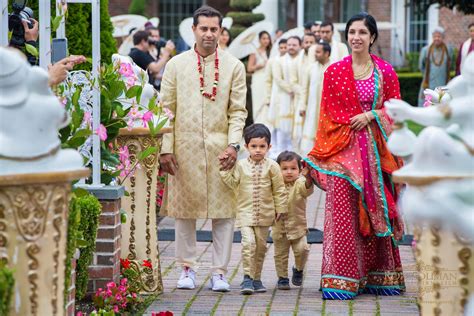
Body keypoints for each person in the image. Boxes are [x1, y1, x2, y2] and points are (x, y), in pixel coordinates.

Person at [305, 13, 405, 300]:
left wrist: (371, 115)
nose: (356, 37)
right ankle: (341, 280)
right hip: (342, 156)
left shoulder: (385, 71)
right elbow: (327, 116)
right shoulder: (334, 72)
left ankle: (379, 277)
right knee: (343, 216)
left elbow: (396, 110)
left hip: (375, 155)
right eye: (352, 32)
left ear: (372, 37)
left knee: (376, 212)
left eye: (362, 32)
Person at [159, 5, 247, 292]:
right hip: (184, 149)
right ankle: (186, 268)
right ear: (193, 30)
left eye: (214, 29)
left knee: (224, 214)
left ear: (221, 32)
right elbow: (165, 109)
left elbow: (238, 112)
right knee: (185, 213)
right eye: (204, 28)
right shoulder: (175, 65)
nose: (209, 34)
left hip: (221, 150)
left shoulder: (234, 66)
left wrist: (234, 145)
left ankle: (219, 272)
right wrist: (165, 148)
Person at [220, 124, 287, 295]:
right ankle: (247, 278)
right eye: (254, 146)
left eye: (262, 146)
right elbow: (233, 183)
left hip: (265, 214)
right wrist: (223, 170)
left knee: (261, 247)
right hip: (245, 213)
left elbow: (279, 189)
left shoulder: (272, 166)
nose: (258, 150)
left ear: (269, 147)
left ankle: (256, 279)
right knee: (248, 244)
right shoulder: (241, 165)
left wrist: (281, 208)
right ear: (246, 147)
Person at [272, 151, 313, 290]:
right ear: (278, 169)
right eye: (284, 168)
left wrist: (308, 178)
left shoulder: (300, 182)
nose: (289, 172)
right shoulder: (274, 185)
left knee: (302, 249)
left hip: (298, 227)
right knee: (280, 255)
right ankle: (282, 278)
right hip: (279, 228)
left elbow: (306, 190)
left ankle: (298, 269)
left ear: (300, 170)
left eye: (293, 168)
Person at [268, 36, 301, 157]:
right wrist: (290, 89)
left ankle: (293, 152)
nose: (291, 47)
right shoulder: (279, 61)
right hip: (283, 97)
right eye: (289, 45)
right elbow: (277, 79)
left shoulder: (301, 61)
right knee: (282, 126)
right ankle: (280, 152)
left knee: (295, 126)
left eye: (294, 45)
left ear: (300, 46)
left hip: (298, 97)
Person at [298, 40, 331, 154]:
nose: (315, 54)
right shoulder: (310, 68)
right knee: (311, 130)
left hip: (328, 109)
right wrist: (302, 106)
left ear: (326, 54)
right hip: (312, 108)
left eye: (318, 52)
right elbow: (304, 89)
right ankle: (310, 156)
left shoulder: (333, 69)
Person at [291, 33, 317, 144]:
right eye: (306, 42)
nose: (309, 45)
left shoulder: (318, 60)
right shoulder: (296, 61)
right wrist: (303, 92)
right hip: (300, 98)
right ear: (302, 44)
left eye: (312, 42)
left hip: (315, 99)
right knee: (299, 129)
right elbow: (293, 82)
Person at [418, 27, 454, 106]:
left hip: (443, 83)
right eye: (435, 36)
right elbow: (421, 66)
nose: (437, 38)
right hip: (429, 83)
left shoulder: (448, 50)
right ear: (432, 37)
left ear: (443, 38)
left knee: (442, 105)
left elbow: (451, 65)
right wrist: (429, 76)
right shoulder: (425, 50)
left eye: (439, 36)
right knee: (427, 106)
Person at [247, 31, 272, 124]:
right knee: (259, 102)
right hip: (258, 79)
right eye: (264, 38)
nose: (266, 41)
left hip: (268, 79)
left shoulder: (271, 52)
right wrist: (259, 66)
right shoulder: (254, 52)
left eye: (267, 38)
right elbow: (249, 68)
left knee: (267, 101)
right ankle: (258, 123)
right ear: (259, 40)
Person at [263, 38, 287, 132]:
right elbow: (267, 81)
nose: (284, 49)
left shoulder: (292, 61)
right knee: (274, 119)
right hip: (275, 93)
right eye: (281, 48)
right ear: (278, 49)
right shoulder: (272, 61)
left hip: (287, 94)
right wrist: (268, 97)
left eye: (285, 47)